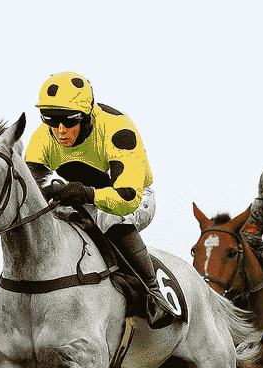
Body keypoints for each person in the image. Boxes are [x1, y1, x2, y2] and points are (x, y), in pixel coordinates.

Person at [24, 71, 176, 329]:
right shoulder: (43, 136)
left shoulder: (119, 131)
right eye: (50, 119)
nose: (60, 131)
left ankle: (154, 293)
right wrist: (54, 189)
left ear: (86, 117)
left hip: (135, 201)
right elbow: (31, 188)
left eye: (69, 121)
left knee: (108, 214)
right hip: (81, 202)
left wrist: (86, 194)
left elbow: (127, 197)